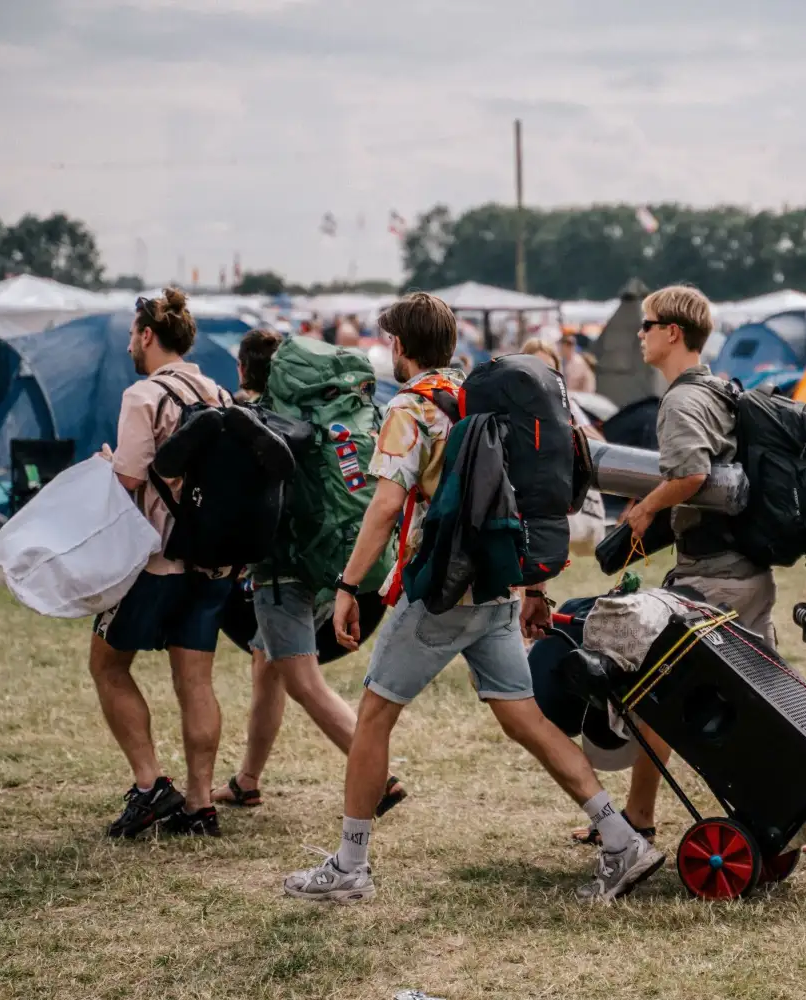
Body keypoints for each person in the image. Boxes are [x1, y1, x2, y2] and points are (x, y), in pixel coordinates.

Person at [280, 292, 663, 905]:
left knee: (374, 717)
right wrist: (534, 586)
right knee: (525, 719)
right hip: (498, 584)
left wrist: (349, 586)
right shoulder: (480, 396)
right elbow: (518, 497)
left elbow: (384, 507)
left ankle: (350, 866)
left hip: (442, 589)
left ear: (399, 347)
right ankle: (621, 841)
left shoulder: (411, 408)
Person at [613, 285, 806, 857]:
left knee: (658, 690)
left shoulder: (683, 402)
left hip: (713, 575)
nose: (639, 334)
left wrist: (645, 510)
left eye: (646, 325)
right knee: (769, 699)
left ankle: (636, 823)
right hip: (745, 570)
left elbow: (688, 475)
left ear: (672, 333)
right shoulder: (720, 389)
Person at [210, 329, 408, 816]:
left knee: (302, 681)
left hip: (283, 568)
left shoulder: (251, 421)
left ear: (242, 371)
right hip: (328, 556)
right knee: (267, 666)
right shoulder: (311, 413)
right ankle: (247, 780)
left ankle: (378, 779)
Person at [91, 289, 234, 839]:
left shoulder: (142, 395)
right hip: (211, 564)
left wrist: (107, 464)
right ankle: (200, 805)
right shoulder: (216, 391)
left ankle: (151, 787)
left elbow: (128, 483)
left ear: (148, 335)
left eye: (133, 333)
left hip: (156, 561)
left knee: (107, 666)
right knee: (195, 680)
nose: (131, 342)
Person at [522, 336, 607, 554]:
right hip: (520, 500)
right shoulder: (511, 402)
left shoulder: (566, 403)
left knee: (540, 566)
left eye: (549, 369)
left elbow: (598, 442)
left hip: (551, 500)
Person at [558, 328, 597, 394]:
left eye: (571, 345)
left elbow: (589, 384)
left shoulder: (580, 363)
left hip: (577, 398)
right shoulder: (559, 360)